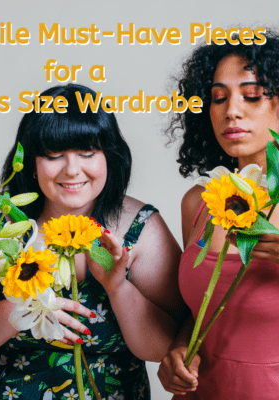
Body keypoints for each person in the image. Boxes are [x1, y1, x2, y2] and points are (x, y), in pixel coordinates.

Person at [0, 83, 184, 400]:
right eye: (54, 154)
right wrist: (25, 306)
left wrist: (117, 287)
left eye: (87, 153)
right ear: (29, 160)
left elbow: (168, 348)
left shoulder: (142, 228)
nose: (72, 170)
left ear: (109, 156)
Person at [158, 30, 279, 399]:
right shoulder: (198, 202)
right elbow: (202, 310)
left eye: (253, 95)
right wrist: (179, 351)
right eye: (218, 98)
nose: (232, 111)